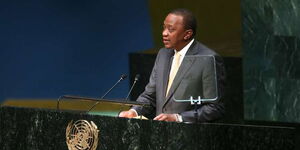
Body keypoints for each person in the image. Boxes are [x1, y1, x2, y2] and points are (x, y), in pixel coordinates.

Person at [119, 8, 226, 123]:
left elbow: (215, 108)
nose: (164, 33)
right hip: (160, 135)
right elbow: (150, 96)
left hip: (189, 136)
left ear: (187, 34)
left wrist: (178, 118)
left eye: (171, 29)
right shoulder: (163, 54)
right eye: (164, 27)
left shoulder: (207, 59)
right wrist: (134, 111)